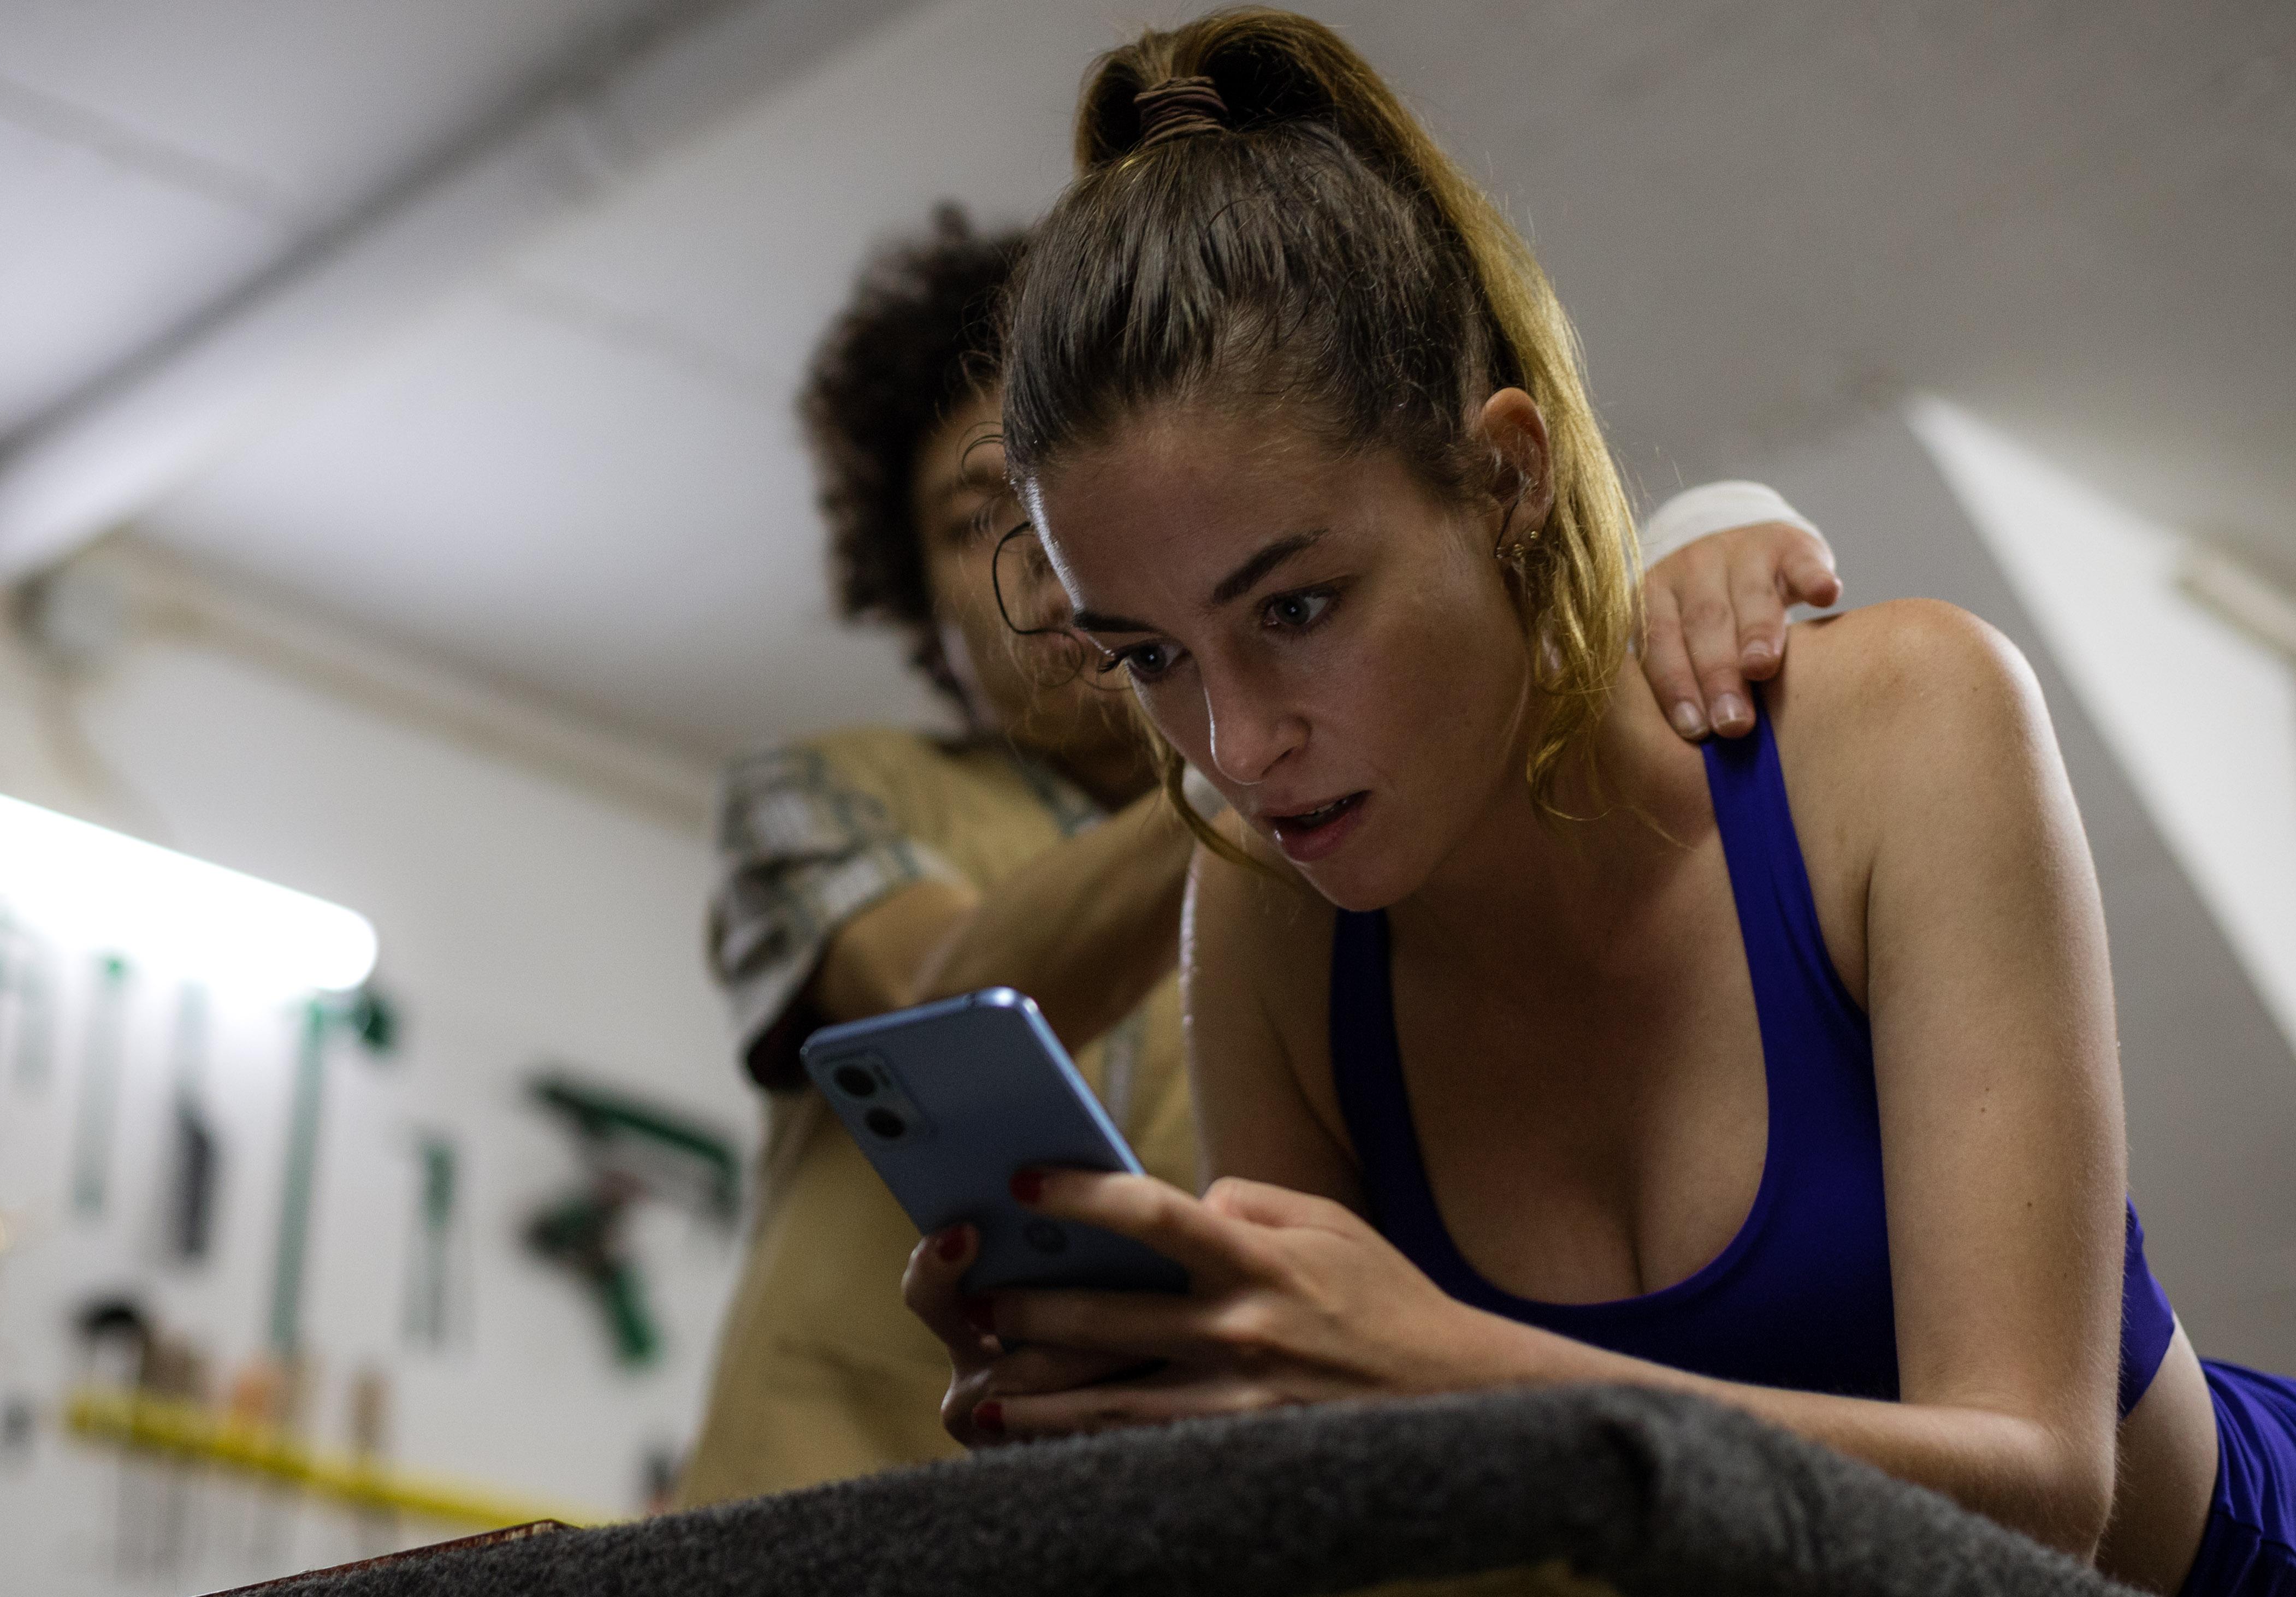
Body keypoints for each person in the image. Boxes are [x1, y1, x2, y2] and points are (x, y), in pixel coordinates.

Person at [900, 11, 2296, 1597]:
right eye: (1148, 655)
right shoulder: (1273, 915)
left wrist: (1429, 1365)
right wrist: (1129, 1435)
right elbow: (1358, 1541)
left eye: (1294, 609)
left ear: (1504, 476)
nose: (1237, 744)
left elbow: (2038, 1503)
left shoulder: (1898, 725)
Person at [674, 204, 1844, 1507]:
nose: (1045, 571)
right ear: (907, 591)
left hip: (1164, 1538)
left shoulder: (1357, 868)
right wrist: (1270, 751)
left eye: (1047, 508)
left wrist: (1681, 560)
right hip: (806, 1520)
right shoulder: (823, 788)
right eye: (975, 524)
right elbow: (935, 1000)